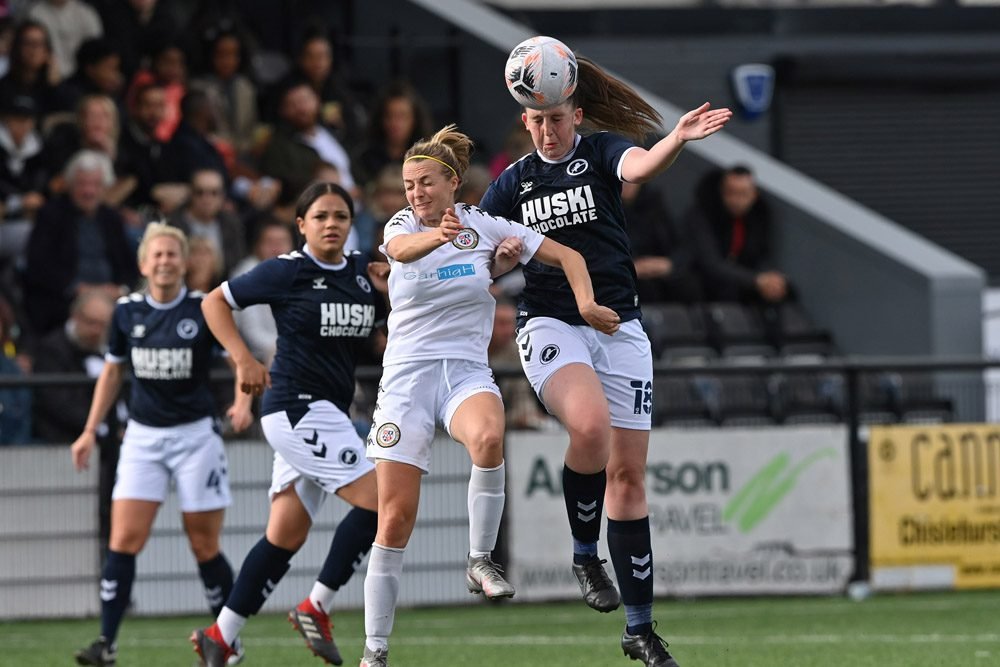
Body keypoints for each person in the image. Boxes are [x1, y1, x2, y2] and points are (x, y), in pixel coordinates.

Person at [479, 52, 731, 667]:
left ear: (577, 114)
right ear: (526, 121)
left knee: (628, 478)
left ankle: (640, 629)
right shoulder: (512, 183)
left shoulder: (601, 152)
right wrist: (502, 258)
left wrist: (676, 136)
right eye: (536, 120)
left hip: (620, 327)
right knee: (589, 427)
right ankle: (585, 555)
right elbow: (479, 260)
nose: (547, 129)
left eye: (557, 118)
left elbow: (640, 167)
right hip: (552, 323)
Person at [359, 124, 619, 667]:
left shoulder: (486, 226)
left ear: (452, 182)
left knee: (488, 436)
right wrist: (442, 237)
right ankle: (375, 651)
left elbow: (568, 255)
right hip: (406, 379)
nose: (415, 194)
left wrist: (587, 303)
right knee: (395, 519)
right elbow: (402, 252)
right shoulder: (404, 226)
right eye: (409, 184)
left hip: (463, 371)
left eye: (425, 182)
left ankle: (480, 561)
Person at [191, 182, 384, 667]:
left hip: (329, 413)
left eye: (341, 215)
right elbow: (213, 302)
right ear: (301, 225)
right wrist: (242, 360)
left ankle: (222, 634)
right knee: (382, 502)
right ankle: (317, 605)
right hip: (297, 408)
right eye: (320, 216)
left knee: (284, 536)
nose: (331, 224)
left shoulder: (362, 272)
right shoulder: (288, 271)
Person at [71, 223, 253, 667]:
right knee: (124, 540)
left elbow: (239, 357)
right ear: (143, 263)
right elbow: (112, 373)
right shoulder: (126, 312)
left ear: (185, 261)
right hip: (143, 436)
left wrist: (242, 401)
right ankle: (106, 644)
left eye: (173, 254)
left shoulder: (204, 307)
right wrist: (89, 429)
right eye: (158, 254)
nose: (166, 261)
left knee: (203, 545)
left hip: (195, 436)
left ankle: (227, 644)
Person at [23, 149, 137, 341]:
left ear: (105, 187)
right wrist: (75, 288)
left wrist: (121, 289)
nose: (88, 191)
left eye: (95, 184)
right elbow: (38, 266)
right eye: (82, 184)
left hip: (111, 297)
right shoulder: (50, 214)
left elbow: (129, 267)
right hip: (64, 301)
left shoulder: (111, 218)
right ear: (69, 185)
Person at [687, 165, 789, 304]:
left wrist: (768, 279)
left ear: (754, 194)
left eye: (743, 194)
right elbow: (711, 263)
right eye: (730, 193)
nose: (736, 200)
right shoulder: (703, 215)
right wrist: (756, 280)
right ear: (721, 192)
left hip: (746, 281)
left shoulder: (759, 216)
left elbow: (762, 254)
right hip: (708, 282)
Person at [623, 180, 702, 304]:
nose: (626, 184)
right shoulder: (601, 208)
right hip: (624, 271)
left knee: (688, 284)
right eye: (621, 179)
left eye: (631, 179)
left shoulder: (654, 204)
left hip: (657, 268)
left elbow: (682, 245)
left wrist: (669, 263)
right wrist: (631, 266)